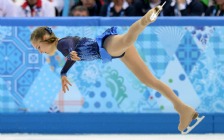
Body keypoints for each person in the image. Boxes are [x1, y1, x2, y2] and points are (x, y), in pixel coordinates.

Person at [30, 2, 204, 134]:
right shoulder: (63, 48)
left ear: (45, 37)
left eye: (38, 47)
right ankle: (183, 108)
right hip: (111, 51)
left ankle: (145, 20)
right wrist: (64, 71)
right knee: (150, 81)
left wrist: (70, 55)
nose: (40, 51)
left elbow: (68, 46)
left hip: (104, 46)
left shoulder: (61, 44)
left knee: (127, 39)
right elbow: (70, 53)